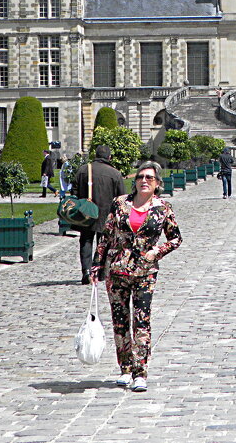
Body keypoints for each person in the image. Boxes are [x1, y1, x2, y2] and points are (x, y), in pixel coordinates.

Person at [91, 161, 182, 393]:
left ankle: (140, 372)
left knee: (141, 322)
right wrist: (96, 266)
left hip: (145, 271)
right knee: (120, 323)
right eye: (141, 176)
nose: (144, 181)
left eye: (149, 178)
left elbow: (176, 239)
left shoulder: (163, 208)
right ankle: (125, 369)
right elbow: (106, 235)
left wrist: (157, 251)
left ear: (157, 184)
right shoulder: (120, 203)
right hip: (117, 270)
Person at [73, 145, 124, 284]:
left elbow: (74, 192)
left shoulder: (83, 170)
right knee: (104, 243)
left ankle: (86, 271)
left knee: (85, 242)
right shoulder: (115, 173)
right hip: (106, 214)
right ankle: (101, 272)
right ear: (109, 157)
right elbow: (121, 198)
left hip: (87, 213)